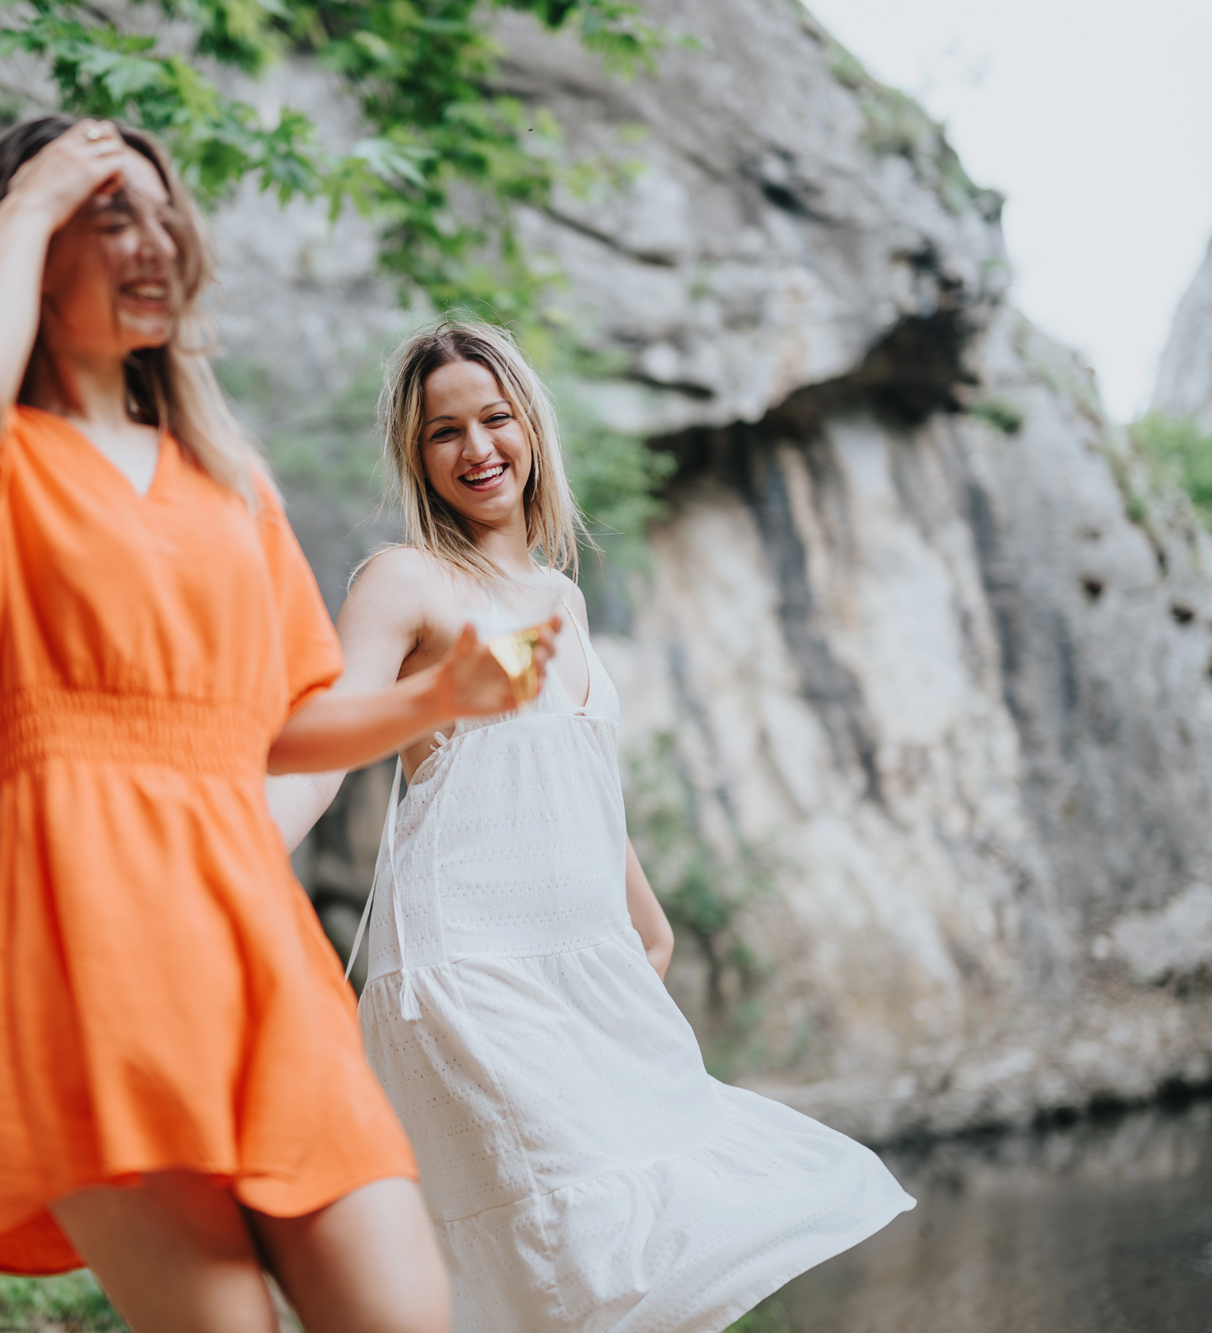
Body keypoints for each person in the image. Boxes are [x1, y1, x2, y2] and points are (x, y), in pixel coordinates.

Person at [0, 120, 558, 1333]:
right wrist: (39, 189)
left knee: (402, 1315)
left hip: (247, 921)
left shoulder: (225, 478)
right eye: (109, 216)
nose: (151, 242)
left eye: (162, 217)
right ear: (27, 240)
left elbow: (277, 723)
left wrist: (432, 701)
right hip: (81, 919)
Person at [267, 320, 915, 1332]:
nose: (476, 447)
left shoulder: (558, 597)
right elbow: (322, 739)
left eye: (494, 417)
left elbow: (572, 778)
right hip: (467, 969)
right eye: (444, 432)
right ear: (415, 455)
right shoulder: (403, 579)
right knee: (574, 1259)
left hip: (582, 963)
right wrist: (228, 857)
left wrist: (641, 922)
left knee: (616, 1256)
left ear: (531, 425)